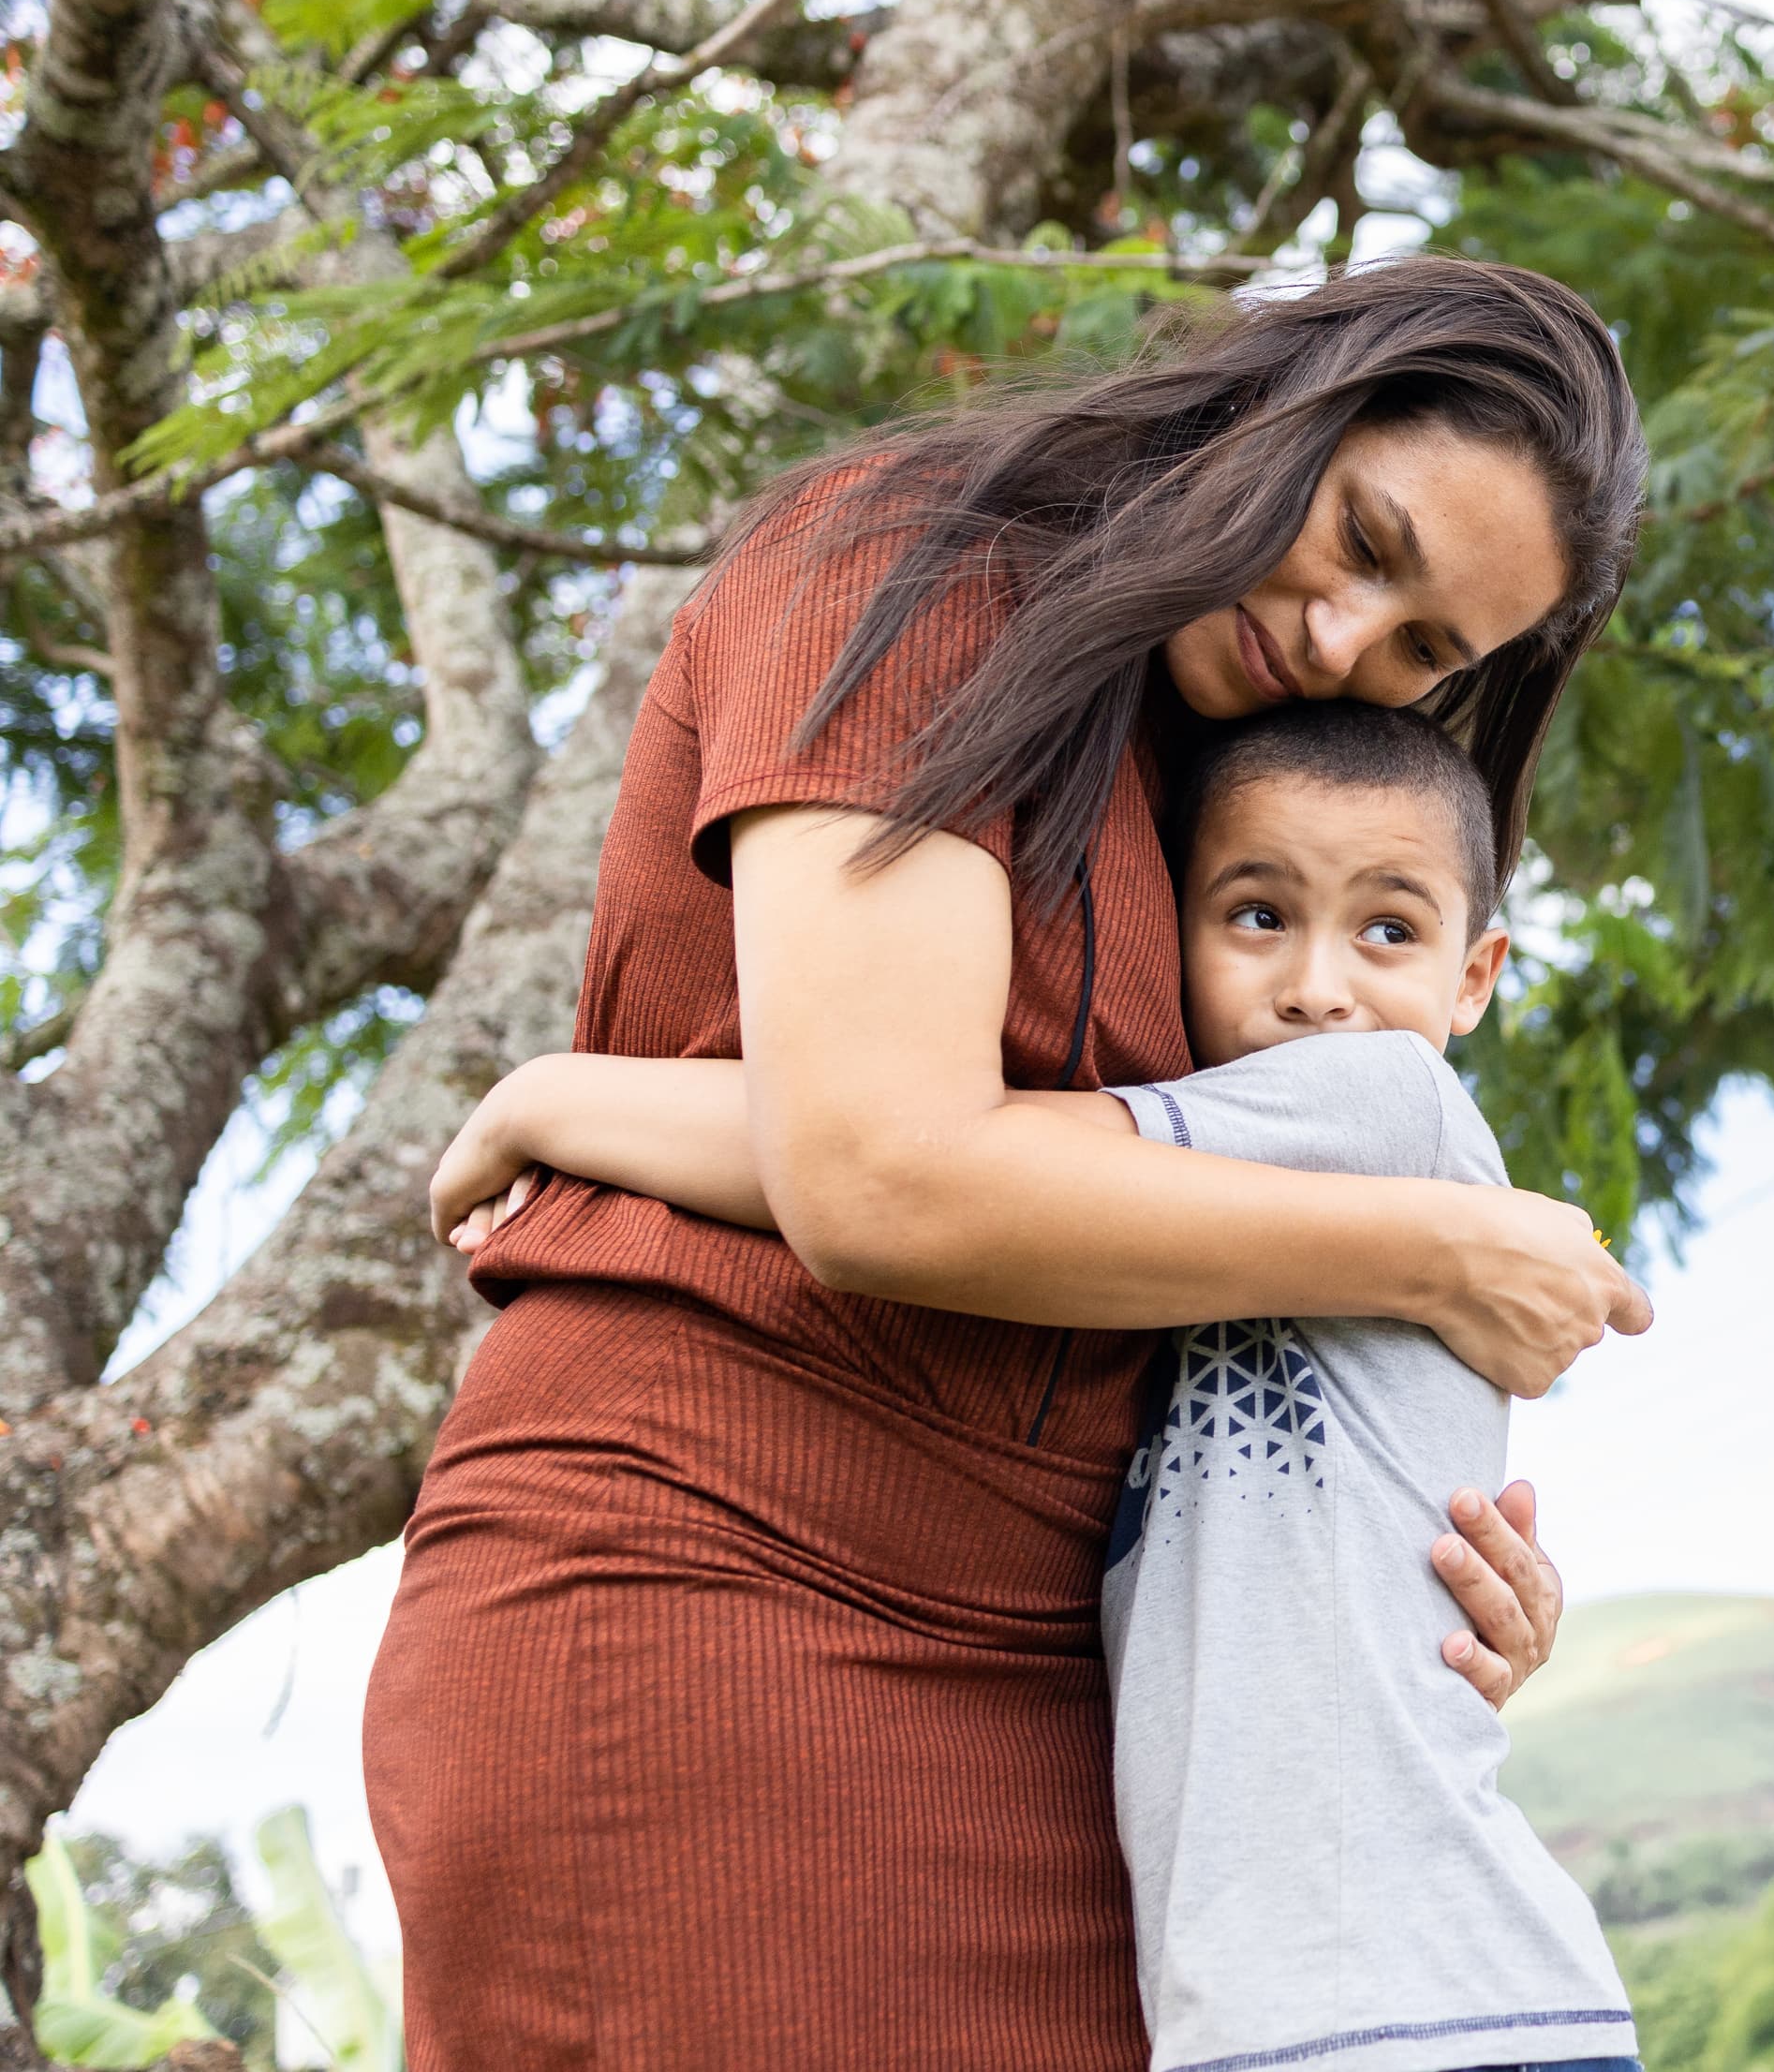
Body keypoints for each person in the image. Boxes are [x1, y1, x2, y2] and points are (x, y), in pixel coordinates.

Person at [368, 258, 1654, 2072]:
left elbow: (1134, 1206)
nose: (1351, 638)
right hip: (714, 1587)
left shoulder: (1212, 804)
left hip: (1072, 1709)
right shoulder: (912, 579)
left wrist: (1397, 1599)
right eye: (1359, 536)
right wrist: (1432, 1252)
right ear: (1279, 399)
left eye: (1430, 647)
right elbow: (884, 1174)